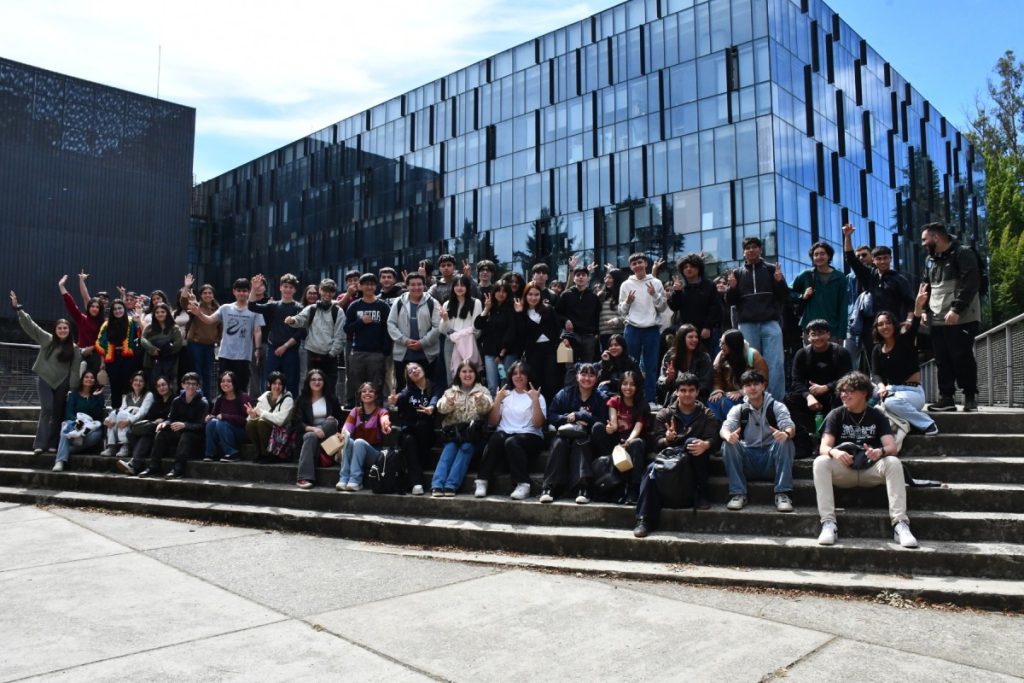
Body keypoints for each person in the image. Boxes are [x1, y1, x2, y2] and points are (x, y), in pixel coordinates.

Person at [814, 371, 918, 548]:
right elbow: (823, 447)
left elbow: (891, 448)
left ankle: (900, 524)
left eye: (849, 391)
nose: (844, 395)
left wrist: (879, 452)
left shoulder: (877, 415)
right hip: (844, 470)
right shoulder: (836, 414)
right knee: (820, 462)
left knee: (893, 462)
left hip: (871, 469)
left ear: (864, 393)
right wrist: (835, 453)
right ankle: (828, 523)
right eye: (842, 391)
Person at [633, 373, 722, 537]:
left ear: (697, 392)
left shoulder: (706, 414)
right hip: (669, 460)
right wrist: (667, 439)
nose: (687, 394)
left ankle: (701, 493)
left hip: (693, 463)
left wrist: (706, 444)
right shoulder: (665, 414)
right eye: (683, 390)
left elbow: (714, 439)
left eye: (691, 390)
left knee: (693, 443)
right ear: (676, 392)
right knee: (650, 470)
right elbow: (656, 442)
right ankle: (643, 519)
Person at [10, 291, 83, 454]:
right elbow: (32, 327)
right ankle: (40, 443)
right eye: (59, 328)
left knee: (58, 412)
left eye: (65, 328)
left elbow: (75, 370)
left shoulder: (74, 349)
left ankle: (52, 444)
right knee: (47, 408)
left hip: (62, 382)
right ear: (55, 329)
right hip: (44, 378)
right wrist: (19, 309)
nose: (62, 330)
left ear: (69, 330)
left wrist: (73, 388)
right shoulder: (47, 339)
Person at [921, 222, 982, 412]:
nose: (923, 244)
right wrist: (924, 310)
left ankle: (970, 397)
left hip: (961, 317)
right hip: (937, 317)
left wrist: (956, 309)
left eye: (924, 239)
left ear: (936, 237)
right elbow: (926, 285)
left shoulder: (963, 253)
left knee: (962, 357)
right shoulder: (930, 260)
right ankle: (946, 398)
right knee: (942, 359)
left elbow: (971, 283)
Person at [719, 369, 796, 512]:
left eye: (756, 384)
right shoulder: (738, 409)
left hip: (771, 460)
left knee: (786, 441)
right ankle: (738, 493)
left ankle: (783, 493)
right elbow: (724, 429)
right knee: (727, 444)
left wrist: (785, 433)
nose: (752, 388)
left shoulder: (777, 406)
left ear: (763, 386)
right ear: (743, 389)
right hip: (748, 460)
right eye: (748, 385)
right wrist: (728, 436)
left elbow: (790, 427)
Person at [725, 237, 789, 401]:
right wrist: (732, 288)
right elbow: (730, 301)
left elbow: (784, 296)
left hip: (770, 322)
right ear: (743, 252)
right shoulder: (737, 273)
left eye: (754, 247)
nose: (751, 250)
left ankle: (776, 402)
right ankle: (752, 400)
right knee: (750, 364)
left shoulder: (771, 269)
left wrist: (779, 282)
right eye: (747, 248)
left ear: (761, 250)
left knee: (775, 364)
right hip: (747, 325)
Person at [870, 284, 939, 435]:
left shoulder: (905, 340)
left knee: (889, 403)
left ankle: (928, 424)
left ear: (894, 325)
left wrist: (918, 306)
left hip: (911, 392)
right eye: (880, 324)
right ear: (876, 328)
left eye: (888, 323)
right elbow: (875, 374)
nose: (885, 326)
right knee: (870, 394)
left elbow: (915, 324)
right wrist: (881, 387)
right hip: (890, 390)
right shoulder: (877, 349)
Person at [474, 361, 546, 501]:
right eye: (515, 373)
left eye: (522, 373)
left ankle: (523, 484)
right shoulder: (505, 395)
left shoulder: (537, 395)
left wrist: (535, 401)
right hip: (505, 433)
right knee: (496, 438)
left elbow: (538, 424)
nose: (518, 376)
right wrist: (497, 400)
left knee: (512, 442)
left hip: (531, 436)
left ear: (528, 376)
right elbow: (493, 422)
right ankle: (482, 480)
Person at [842, 223, 915, 360]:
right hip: (871, 328)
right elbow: (851, 258)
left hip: (893, 326)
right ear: (873, 260)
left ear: (890, 259)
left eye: (885, 258)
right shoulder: (868, 275)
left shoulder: (899, 279)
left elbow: (910, 302)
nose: (882, 262)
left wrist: (909, 320)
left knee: (895, 360)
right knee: (874, 361)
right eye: (879, 259)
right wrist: (847, 236)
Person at [539, 362, 609, 504]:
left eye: (591, 375)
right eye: (583, 374)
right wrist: (568, 418)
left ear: (596, 379)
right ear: (577, 376)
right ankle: (549, 487)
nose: (587, 378)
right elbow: (551, 415)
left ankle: (583, 488)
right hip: (565, 434)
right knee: (558, 444)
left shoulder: (601, 397)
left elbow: (603, 421)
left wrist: (582, 416)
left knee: (581, 443)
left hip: (587, 437)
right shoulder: (564, 393)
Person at [784, 320, 853, 458]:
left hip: (833, 394)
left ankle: (830, 442)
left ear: (828, 334)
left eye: (821, 333)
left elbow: (847, 378)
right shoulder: (802, 354)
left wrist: (826, 387)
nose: (817, 338)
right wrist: (808, 396)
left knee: (844, 397)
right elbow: (796, 381)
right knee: (788, 400)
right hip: (810, 396)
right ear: (808, 337)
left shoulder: (841, 352)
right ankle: (803, 442)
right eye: (813, 334)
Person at [188, 278, 264, 394]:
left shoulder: (255, 310)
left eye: (244, 291)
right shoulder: (225, 308)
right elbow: (209, 320)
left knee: (241, 387)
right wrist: (199, 314)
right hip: (225, 354)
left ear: (249, 292)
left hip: (243, 355)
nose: (241, 293)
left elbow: (257, 331)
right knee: (224, 386)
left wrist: (257, 349)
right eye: (239, 290)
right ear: (234, 291)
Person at [432, 361, 494, 496]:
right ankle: (437, 484)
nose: (467, 374)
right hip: (454, 433)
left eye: (470, 371)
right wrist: (448, 402)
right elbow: (440, 408)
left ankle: (451, 485)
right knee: (450, 448)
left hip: (472, 435)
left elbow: (487, 408)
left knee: (466, 447)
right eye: (464, 371)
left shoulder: (483, 390)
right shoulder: (450, 391)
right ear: (458, 374)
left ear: (475, 374)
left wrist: (480, 400)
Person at [592, 370, 651, 504]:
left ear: (637, 387)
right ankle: (608, 474)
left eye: (632, 384)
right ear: (620, 385)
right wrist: (611, 427)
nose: (628, 388)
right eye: (625, 384)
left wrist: (628, 442)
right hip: (616, 441)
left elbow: (638, 428)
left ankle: (633, 489)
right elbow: (613, 422)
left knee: (637, 443)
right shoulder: (614, 401)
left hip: (633, 442)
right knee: (598, 428)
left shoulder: (642, 404)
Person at [618, 252, 668, 399]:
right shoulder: (626, 284)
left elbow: (662, 308)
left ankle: (650, 398)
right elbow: (621, 311)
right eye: (634, 264)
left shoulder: (656, 282)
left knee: (651, 366)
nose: (637, 265)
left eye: (640, 262)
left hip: (651, 329)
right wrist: (628, 301)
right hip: (632, 328)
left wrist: (654, 294)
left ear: (646, 264)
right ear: (631, 267)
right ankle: (631, 398)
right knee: (630, 365)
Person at [285, 278, 346, 399]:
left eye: (331, 291)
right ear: (320, 291)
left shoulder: (338, 311)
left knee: (329, 390)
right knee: (311, 389)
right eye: (325, 290)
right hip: (313, 354)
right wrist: (292, 320)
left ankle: (329, 410)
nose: (328, 294)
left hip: (330, 356)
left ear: (334, 293)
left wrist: (332, 354)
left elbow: (340, 336)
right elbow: (300, 319)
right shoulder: (311, 308)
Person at [248, 273, 305, 398]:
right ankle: (271, 407)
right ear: (280, 287)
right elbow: (252, 306)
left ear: (295, 290)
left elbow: (300, 332)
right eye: (285, 286)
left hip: (291, 350)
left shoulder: (300, 308)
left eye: (291, 287)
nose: (288, 289)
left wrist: (285, 346)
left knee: (291, 384)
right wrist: (254, 289)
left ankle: (291, 408)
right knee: (271, 382)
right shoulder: (273, 305)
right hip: (273, 350)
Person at [387, 362, 439, 495]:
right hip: (409, 432)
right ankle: (417, 483)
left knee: (422, 426)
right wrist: (394, 400)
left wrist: (431, 407)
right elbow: (400, 397)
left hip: (426, 434)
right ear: (409, 377)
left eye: (416, 368)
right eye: (410, 371)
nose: (414, 371)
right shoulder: (408, 390)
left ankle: (418, 470)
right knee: (409, 440)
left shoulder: (433, 386)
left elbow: (436, 397)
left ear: (422, 369)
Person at [387, 272, 442, 392]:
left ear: (424, 285)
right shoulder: (399, 302)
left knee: (427, 387)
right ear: (407, 286)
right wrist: (404, 341)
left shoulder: (432, 302)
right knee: (403, 388)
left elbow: (437, 327)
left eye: (419, 284)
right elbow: (391, 324)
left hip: (427, 354)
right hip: (403, 353)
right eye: (412, 285)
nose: (416, 287)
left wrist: (423, 342)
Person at [148, 372, 209, 479]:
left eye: (193, 384)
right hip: (179, 433)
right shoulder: (177, 401)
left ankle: (178, 469)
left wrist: (185, 425)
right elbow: (171, 419)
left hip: (195, 437)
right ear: (182, 385)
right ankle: (153, 466)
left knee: (186, 436)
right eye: (188, 383)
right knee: (161, 434)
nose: (190, 386)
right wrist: (164, 423)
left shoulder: (203, 403)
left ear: (198, 386)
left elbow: (201, 426)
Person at [343, 274, 392, 402]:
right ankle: (358, 411)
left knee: (376, 386)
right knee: (358, 386)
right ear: (360, 286)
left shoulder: (383, 306)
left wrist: (385, 350)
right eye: (366, 284)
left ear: (376, 286)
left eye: (372, 284)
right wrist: (361, 322)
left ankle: (376, 411)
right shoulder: (354, 305)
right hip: (358, 352)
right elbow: (347, 328)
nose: (369, 287)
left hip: (377, 353)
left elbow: (389, 329)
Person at [293, 369, 345, 489]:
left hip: (329, 442)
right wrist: (314, 429)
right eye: (313, 379)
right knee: (310, 436)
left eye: (320, 379)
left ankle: (304, 476)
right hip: (309, 439)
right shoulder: (302, 400)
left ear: (324, 382)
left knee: (331, 422)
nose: (317, 382)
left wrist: (334, 422)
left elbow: (341, 420)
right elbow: (297, 423)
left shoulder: (331, 399)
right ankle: (304, 478)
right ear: (308, 382)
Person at [115, 375, 175, 476]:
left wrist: (164, 421)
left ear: (170, 385)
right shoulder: (157, 402)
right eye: (159, 386)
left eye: (163, 385)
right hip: (154, 430)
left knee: (148, 432)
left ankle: (134, 464)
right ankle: (135, 463)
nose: (161, 388)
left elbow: (174, 417)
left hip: (168, 431)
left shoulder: (175, 400)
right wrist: (155, 421)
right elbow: (150, 416)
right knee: (136, 433)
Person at [337, 382, 392, 491]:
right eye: (364, 391)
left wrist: (386, 425)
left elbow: (384, 419)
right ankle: (344, 479)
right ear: (360, 395)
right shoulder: (355, 411)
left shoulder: (381, 411)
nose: (367, 393)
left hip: (374, 455)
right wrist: (343, 435)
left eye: (371, 391)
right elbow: (347, 428)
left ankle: (355, 480)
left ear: (376, 395)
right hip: (355, 453)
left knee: (359, 442)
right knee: (348, 439)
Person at [791, 241, 848, 342]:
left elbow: (843, 306)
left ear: (829, 256)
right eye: (816, 254)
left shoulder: (840, 277)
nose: (819, 257)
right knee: (809, 353)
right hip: (810, 330)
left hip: (832, 331)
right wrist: (802, 296)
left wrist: (842, 334)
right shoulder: (806, 275)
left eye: (822, 254)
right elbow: (787, 292)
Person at [709, 329, 769, 421]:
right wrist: (718, 391)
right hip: (728, 394)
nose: (720, 346)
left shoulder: (753, 356)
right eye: (720, 342)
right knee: (713, 401)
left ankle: (736, 427)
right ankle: (720, 427)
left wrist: (742, 392)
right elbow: (717, 378)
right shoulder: (721, 356)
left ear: (732, 345)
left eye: (724, 344)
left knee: (728, 403)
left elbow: (763, 381)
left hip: (749, 394)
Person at [52, 369, 106, 471]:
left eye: (92, 378)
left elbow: (98, 415)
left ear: (95, 381)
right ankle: (60, 461)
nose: (89, 379)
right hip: (75, 423)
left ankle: (67, 450)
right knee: (66, 427)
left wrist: (96, 397)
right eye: (86, 377)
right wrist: (78, 422)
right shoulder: (74, 394)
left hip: (90, 427)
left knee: (97, 435)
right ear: (82, 379)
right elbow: (68, 413)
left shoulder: (98, 395)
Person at [666, 253, 721, 352]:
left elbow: (715, 308)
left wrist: (707, 327)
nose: (688, 269)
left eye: (692, 266)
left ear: (699, 268)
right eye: (685, 267)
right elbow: (674, 307)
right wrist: (677, 292)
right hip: (684, 331)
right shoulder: (680, 286)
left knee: (704, 357)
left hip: (704, 331)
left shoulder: (709, 285)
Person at [95, 298, 142, 410]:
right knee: (115, 386)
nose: (117, 311)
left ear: (124, 309)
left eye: (120, 308)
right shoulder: (106, 325)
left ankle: (128, 411)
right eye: (115, 309)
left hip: (129, 359)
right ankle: (115, 411)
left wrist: (139, 322)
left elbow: (141, 336)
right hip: (112, 359)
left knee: (129, 385)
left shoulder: (131, 321)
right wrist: (102, 362)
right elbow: (100, 343)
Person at [475, 281, 517, 395]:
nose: (501, 294)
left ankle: (506, 407)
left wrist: (502, 353)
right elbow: (478, 325)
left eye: (504, 291)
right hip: (490, 352)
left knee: (506, 385)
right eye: (498, 291)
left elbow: (512, 331)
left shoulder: (512, 308)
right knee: (492, 386)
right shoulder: (490, 307)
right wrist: (486, 309)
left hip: (507, 352)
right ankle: (495, 406)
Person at [439, 274, 483, 381]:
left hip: (468, 343)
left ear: (467, 287)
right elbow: (442, 330)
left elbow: (476, 329)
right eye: (456, 285)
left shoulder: (476, 303)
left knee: (470, 374)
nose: (459, 288)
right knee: (452, 375)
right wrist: (445, 319)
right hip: (451, 343)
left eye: (462, 285)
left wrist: (456, 335)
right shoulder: (447, 304)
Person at [657, 324, 714, 405]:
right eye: (690, 337)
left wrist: (687, 393)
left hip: (698, 399)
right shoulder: (670, 355)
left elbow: (705, 384)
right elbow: (661, 383)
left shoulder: (704, 357)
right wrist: (669, 378)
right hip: (675, 397)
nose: (694, 340)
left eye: (696, 337)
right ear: (682, 339)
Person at [245, 370, 295, 462]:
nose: (277, 386)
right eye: (274, 383)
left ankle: (268, 455)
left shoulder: (288, 399)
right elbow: (251, 419)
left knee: (262, 423)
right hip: (269, 429)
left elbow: (280, 420)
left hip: (282, 434)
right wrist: (252, 415)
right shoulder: (264, 398)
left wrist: (262, 413)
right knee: (250, 424)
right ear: (269, 384)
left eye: (280, 384)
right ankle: (260, 453)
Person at [58, 274, 103, 374]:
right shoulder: (82, 319)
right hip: (80, 355)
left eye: (97, 307)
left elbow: (105, 341)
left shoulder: (104, 323)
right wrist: (61, 287)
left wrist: (93, 347)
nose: (95, 309)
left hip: (97, 357)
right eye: (92, 306)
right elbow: (71, 305)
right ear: (88, 308)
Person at [555, 266, 601, 363]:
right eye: (578, 275)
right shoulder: (566, 295)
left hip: (589, 336)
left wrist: (596, 333)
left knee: (587, 366)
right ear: (574, 278)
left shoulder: (594, 297)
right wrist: (566, 320)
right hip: (570, 335)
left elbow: (597, 316)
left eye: (583, 275)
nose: (580, 277)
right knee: (569, 366)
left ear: (588, 278)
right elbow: (557, 314)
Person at [182, 283, 221, 398]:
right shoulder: (196, 306)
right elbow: (183, 302)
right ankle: (197, 398)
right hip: (196, 344)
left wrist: (218, 340)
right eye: (204, 293)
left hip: (210, 345)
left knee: (208, 373)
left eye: (209, 293)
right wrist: (186, 287)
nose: (207, 295)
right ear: (201, 295)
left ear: (213, 295)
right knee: (196, 373)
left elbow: (221, 327)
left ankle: (207, 399)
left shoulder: (218, 309)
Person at [203, 371, 252, 463]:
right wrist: (209, 417)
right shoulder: (220, 398)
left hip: (243, 431)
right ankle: (211, 454)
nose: (225, 384)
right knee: (212, 423)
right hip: (224, 431)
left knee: (222, 423)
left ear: (234, 383)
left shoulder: (243, 397)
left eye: (229, 381)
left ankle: (233, 453)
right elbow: (215, 415)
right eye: (223, 381)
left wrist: (226, 417)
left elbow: (247, 420)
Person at [102, 371, 153, 457]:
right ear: (132, 382)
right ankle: (111, 447)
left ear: (144, 383)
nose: (138, 383)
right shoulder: (127, 396)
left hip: (139, 421)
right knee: (114, 414)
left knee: (122, 415)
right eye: (136, 380)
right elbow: (121, 410)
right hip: (126, 419)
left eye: (141, 381)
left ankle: (125, 446)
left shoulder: (148, 395)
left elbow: (142, 412)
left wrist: (129, 420)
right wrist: (107, 419)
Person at [140, 303, 184, 391]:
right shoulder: (149, 327)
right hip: (151, 361)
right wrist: (152, 349)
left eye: (163, 312)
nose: (160, 314)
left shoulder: (174, 328)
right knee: (152, 385)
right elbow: (143, 339)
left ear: (167, 313)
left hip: (169, 362)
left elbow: (178, 344)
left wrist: (164, 351)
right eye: (157, 312)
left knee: (169, 386)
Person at [844, 244, 872, 369]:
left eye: (864, 255)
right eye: (858, 256)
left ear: (872, 256)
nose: (861, 258)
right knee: (850, 360)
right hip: (852, 322)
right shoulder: (848, 279)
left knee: (871, 359)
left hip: (872, 322)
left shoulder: (877, 275)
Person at [596, 333, 642, 401]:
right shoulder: (606, 360)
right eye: (611, 346)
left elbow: (636, 381)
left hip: (627, 392)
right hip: (610, 393)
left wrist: (611, 382)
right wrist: (605, 364)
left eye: (616, 345)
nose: (613, 348)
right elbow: (601, 381)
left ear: (623, 346)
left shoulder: (631, 362)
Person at [597, 268, 626, 351]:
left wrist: (616, 321)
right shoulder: (601, 295)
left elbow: (628, 315)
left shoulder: (623, 295)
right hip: (604, 334)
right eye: (606, 278)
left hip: (620, 333)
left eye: (610, 278)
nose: (607, 280)